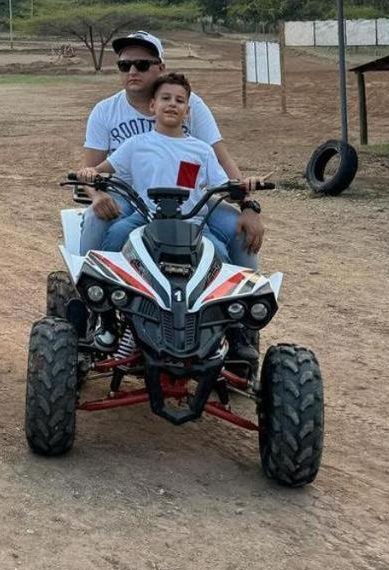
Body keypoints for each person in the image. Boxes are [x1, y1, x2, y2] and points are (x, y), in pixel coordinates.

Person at [77, 71, 264, 364]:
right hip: (144, 219)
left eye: (180, 100)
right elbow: (101, 170)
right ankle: (106, 317)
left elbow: (223, 187)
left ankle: (230, 329)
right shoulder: (137, 144)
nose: (172, 105)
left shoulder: (200, 150)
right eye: (165, 98)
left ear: (188, 111)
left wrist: (244, 188)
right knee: (114, 237)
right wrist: (90, 174)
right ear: (153, 106)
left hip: (192, 224)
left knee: (220, 257)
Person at [78, 31, 264, 265]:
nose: (132, 71)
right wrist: (98, 195)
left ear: (161, 68)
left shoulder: (191, 105)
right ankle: (89, 285)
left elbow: (220, 161)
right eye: (124, 65)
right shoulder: (106, 111)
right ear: (154, 105)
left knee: (239, 230)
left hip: (188, 199)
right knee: (98, 219)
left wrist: (248, 205)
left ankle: (246, 297)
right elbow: (92, 169)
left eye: (142, 64)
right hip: (131, 197)